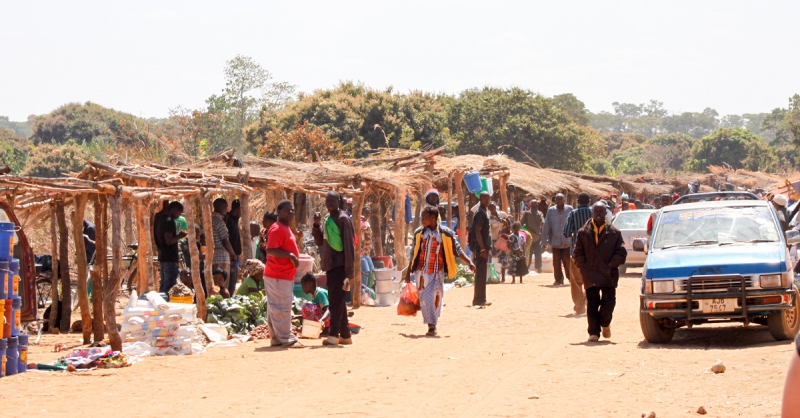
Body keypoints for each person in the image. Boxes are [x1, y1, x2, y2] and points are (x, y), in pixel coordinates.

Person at [407, 206, 475, 336]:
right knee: (425, 299)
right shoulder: (419, 233)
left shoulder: (446, 233)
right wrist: (408, 272)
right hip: (422, 272)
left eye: (424, 217)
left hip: (437, 271)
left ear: (433, 218)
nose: (422, 220)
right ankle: (431, 326)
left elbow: (457, 250)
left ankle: (434, 323)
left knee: (436, 299)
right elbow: (413, 253)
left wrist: (470, 262)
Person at [573, 202, 627, 342]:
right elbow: (577, 253)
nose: (598, 214)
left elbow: (621, 253)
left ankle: (605, 323)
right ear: (592, 212)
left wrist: (610, 265)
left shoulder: (614, 232)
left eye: (601, 211)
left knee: (608, 303)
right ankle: (594, 332)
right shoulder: (583, 232)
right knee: (592, 303)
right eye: (596, 211)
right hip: (590, 274)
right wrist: (583, 267)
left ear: (605, 213)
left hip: (608, 274)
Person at [312, 191, 356, 346]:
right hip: (330, 266)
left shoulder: (343, 219)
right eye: (327, 201)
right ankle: (345, 335)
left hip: (340, 266)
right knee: (338, 300)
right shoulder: (328, 220)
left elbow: (349, 246)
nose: (329, 203)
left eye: (333, 200)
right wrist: (316, 225)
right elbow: (320, 242)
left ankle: (334, 335)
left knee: (335, 302)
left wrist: (349, 271)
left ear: (339, 201)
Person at [263, 200, 303, 348]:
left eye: (292, 210)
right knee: (281, 307)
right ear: (279, 212)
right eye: (288, 210)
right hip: (278, 275)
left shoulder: (285, 228)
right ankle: (286, 338)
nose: (291, 212)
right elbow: (271, 249)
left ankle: (276, 338)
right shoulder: (277, 229)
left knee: (276, 307)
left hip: (282, 275)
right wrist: (291, 256)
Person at [563, 192, 592, 315]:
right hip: (592, 253)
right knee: (590, 279)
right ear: (589, 201)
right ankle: (588, 300)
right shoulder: (594, 213)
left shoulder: (573, 213)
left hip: (576, 253)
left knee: (576, 281)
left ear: (578, 201)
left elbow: (567, 232)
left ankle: (579, 305)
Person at [541, 193, 573, 286]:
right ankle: (558, 279)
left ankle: (570, 278)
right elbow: (547, 226)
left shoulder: (569, 209)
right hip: (555, 241)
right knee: (556, 263)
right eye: (557, 199)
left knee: (567, 262)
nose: (559, 201)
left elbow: (572, 223)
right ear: (555, 200)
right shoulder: (551, 211)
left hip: (567, 241)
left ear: (564, 200)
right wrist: (544, 241)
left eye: (561, 199)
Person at [157, 201, 187, 294]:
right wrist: (180, 236)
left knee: (164, 284)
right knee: (169, 286)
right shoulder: (169, 221)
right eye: (178, 213)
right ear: (174, 209)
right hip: (170, 257)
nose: (179, 216)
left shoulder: (159, 218)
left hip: (163, 256)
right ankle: (166, 305)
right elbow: (169, 241)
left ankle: (161, 305)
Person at [469, 191, 492, 306]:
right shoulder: (480, 213)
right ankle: (479, 299)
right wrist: (482, 248)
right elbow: (477, 231)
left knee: (482, 273)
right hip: (480, 247)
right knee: (480, 273)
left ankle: (482, 298)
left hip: (483, 246)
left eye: (489, 198)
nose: (488, 200)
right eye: (485, 198)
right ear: (480, 199)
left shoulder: (484, 212)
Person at [211, 198, 238, 283]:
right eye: (225, 207)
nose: (227, 209)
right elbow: (225, 241)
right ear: (219, 207)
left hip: (212, 255)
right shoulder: (219, 221)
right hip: (221, 256)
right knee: (221, 282)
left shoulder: (210, 219)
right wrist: (233, 254)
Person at [225, 199, 243, 296]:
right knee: (230, 281)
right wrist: (232, 254)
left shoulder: (235, 220)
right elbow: (226, 239)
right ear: (238, 209)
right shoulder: (228, 219)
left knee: (234, 279)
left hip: (235, 255)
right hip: (231, 256)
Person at [521, 199, 544, 273]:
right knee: (537, 253)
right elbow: (543, 223)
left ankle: (527, 267)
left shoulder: (527, 213)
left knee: (529, 253)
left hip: (530, 237)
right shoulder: (539, 214)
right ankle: (538, 268)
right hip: (536, 236)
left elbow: (521, 223)